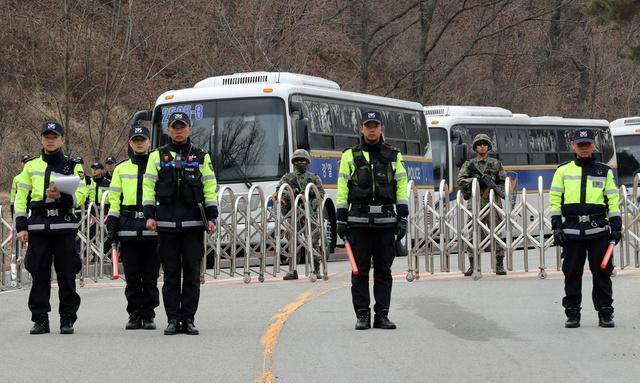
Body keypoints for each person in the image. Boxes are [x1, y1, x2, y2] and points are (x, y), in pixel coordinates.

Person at [143, 112, 217, 336]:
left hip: (193, 224)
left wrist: (212, 217)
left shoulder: (201, 157)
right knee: (171, 275)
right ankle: (173, 319)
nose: (178, 130)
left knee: (192, 274)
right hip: (166, 224)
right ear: (168, 130)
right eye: (174, 127)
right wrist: (149, 215)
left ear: (190, 129)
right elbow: (148, 187)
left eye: (182, 126)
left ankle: (189, 319)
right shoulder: (157, 156)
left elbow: (210, 188)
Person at [336, 111, 408, 330]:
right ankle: (362, 315)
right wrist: (341, 218)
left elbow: (401, 185)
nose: (372, 129)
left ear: (382, 129)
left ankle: (382, 315)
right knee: (359, 271)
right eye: (368, 125)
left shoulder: (394, 155)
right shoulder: (349, 155)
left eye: (375, 125)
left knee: (384, 272)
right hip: (358, 220)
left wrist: (402, 216)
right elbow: (342, 188)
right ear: (361, 129)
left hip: (386, 221)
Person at [14, 121, 87, 335]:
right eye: (47, 136)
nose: (50, 139)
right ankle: (40, 319)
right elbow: (20, 199)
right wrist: (21, 226)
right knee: (39, 274)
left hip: (64, 226)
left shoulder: (74, 166)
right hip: (38, 227)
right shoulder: (31, 166)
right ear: (41, 139)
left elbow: (82, 196)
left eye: (54, 136)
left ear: (62, 139)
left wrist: (62, 197)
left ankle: (67, 318)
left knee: (67, 274)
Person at [550, 128, 621, 328]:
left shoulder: (604, 171)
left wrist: (616, 226)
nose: (584, 148)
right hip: (571, 231)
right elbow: (555, 200)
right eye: (580, 144)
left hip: (598, 231)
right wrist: (556, 226)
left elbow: (612, 201)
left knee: (602, 274)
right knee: (572, 273)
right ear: (574, 146)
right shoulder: (562, 171)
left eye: (587, 144)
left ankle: (605, 312)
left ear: (594, 146)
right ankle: (572, 313)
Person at [106, 123, 160, 330]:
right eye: (135, 140)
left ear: (149, 142)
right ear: (130, 143)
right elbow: (114, 199)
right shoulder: (121, 168)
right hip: (128, 227)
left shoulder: (156, 166)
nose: (139, 144)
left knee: (150, 275)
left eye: (143, 140)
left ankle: (149, 314)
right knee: (132, 276)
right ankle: (134, 314)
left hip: (151, 227)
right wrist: (112, 223)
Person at [457, 133, 507, 276]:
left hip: (492, 203)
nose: (482, 146)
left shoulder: (496, 164)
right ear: (475, 147)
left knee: (497, 233)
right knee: (473, 234)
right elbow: (460, 180)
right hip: (476, 202)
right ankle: (473, 265)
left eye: (485, 144)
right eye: (479, 144)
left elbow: (503, 182)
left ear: (489, 147)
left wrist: (491, 188)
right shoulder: (469, 164)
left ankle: (499, 264)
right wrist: (476, 182)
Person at [276, 149, 326, 280]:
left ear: (307, 162)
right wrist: (289, 196)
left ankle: (315, 268)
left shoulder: (313, 178)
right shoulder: (288, 178)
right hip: (294, 213)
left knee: (313, 241)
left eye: (303, 161)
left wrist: (311, 202)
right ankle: (292, 270)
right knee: (293, 241)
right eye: (297, 161)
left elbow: (320, 194)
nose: (300, 163)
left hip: (309, 214)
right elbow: (279, 193)